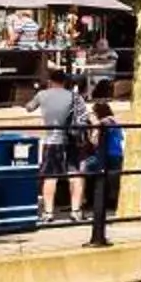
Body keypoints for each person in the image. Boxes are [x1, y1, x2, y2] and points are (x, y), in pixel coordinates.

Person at [32, 64, 86, 217]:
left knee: (50, 177)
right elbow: (84, 117)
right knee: (75, 174)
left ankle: (48, 212)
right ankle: (76, 211)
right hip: (72, 139)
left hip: (52, 140)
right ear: (65, 81)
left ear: (50, 81)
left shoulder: (43, 95)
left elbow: (29, 107)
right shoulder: (75, 97)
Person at [80, 84, 125, 214]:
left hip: (108, 155)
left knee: (83, 169)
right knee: (100, 175)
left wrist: (92, 122)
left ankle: (85, 201)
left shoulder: (107, 121)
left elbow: (94, 141)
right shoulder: (114, 121)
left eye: (94, 113)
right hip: (115, 155)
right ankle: (96, 200)